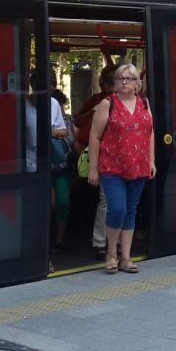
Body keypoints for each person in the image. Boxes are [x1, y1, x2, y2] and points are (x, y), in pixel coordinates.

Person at [87, 64, 156, 274]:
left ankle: (126, 257)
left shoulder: (144, 103)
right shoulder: (107, 104)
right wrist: (93, 168)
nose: (124, 82)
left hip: (139, 165)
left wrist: (151, 160)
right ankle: (111, 254)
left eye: (128, 78)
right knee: (117, 209)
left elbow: (150, 133)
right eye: (120, 79)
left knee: (131, 210)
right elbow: (94, 136)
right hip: (112, 167)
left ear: (137, 83)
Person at [74, 64, 118, 258]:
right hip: (103, 158)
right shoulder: (100, 103)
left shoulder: (133, 103)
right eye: (109, 80)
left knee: (117, 203)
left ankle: (110, 243)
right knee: (107, 201)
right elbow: (88, 133)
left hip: (123, 159)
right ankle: (103, 242)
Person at [50, 88, 77, 254]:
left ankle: (59, 240)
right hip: (42, 166)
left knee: (63, 202)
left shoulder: (67, 120)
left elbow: (72, 140)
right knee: (50, 203)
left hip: (62, 166)